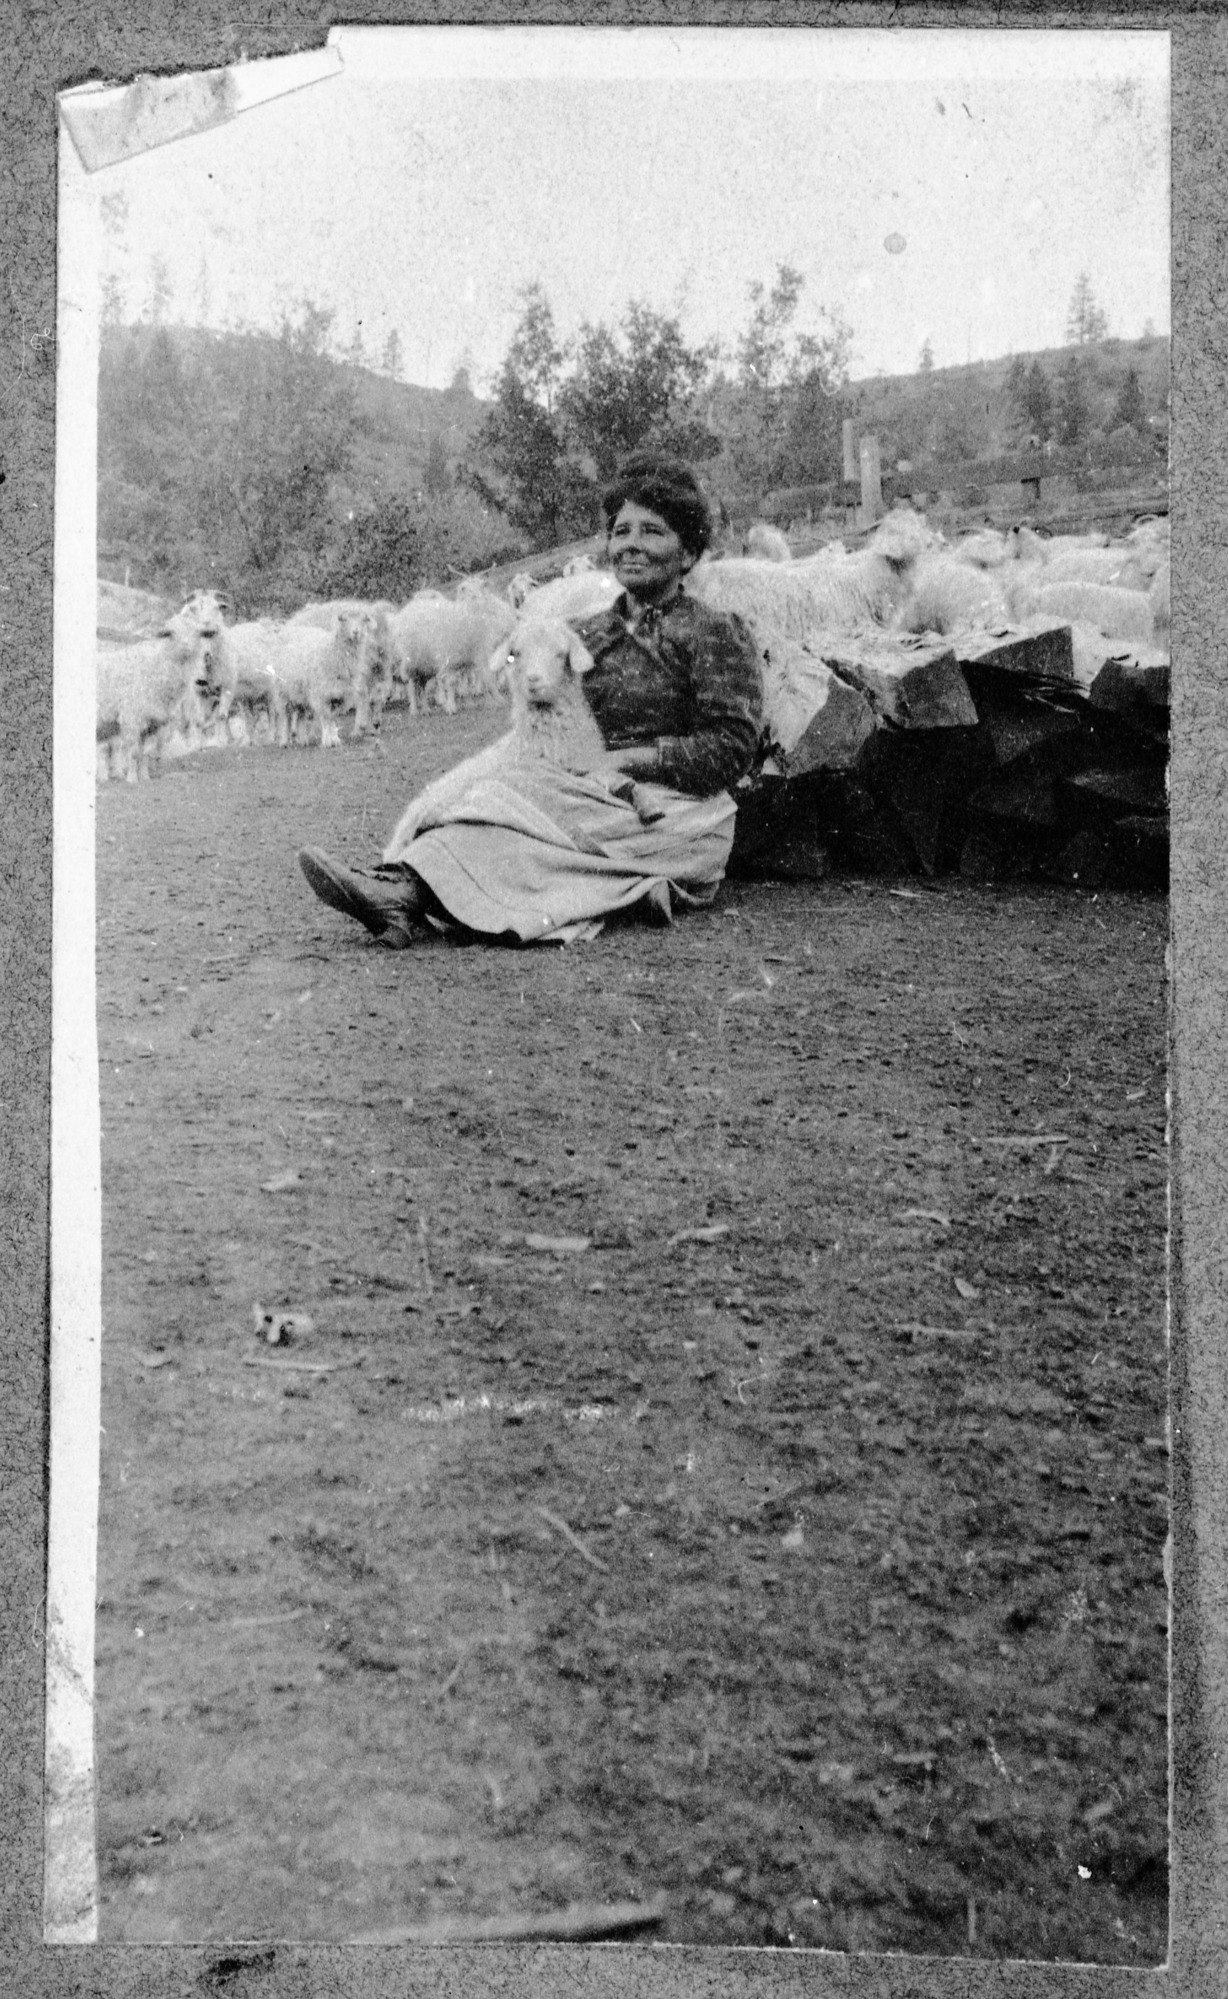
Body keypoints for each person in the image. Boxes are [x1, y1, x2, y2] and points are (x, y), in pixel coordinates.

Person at [298, 451, 764, 948]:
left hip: (676, 812)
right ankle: (401, 886)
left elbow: (731, 746)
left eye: (652, 531)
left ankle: (405, 892)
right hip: (583, 789)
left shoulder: (714, 633)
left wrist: (624, 760)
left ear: (688, 552)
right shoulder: (581, 633)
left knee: (518, 817)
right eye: (621, 530)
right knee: (497, 795)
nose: (632, 545)